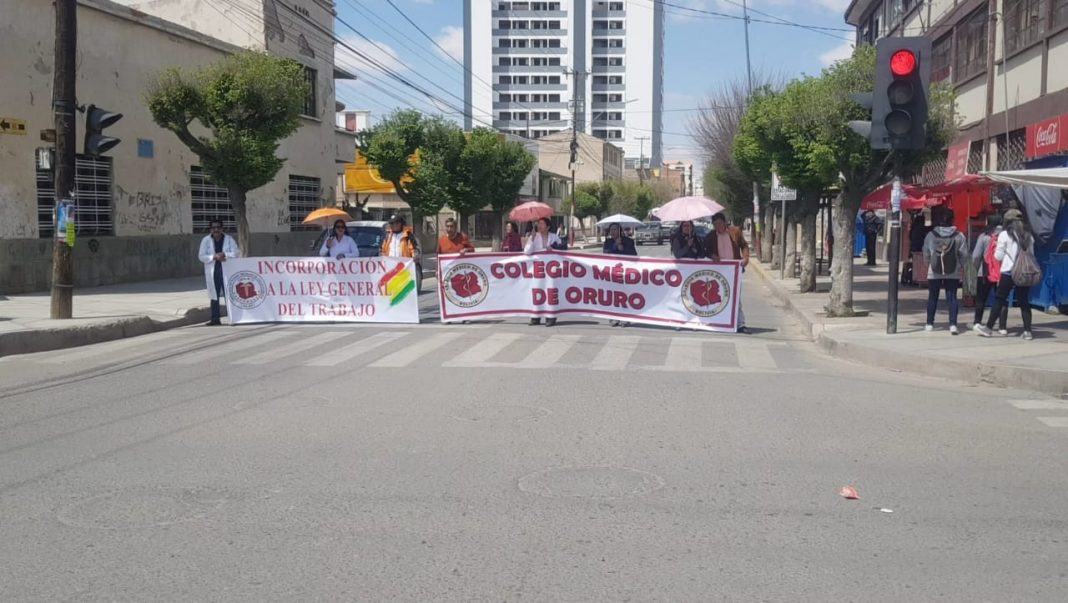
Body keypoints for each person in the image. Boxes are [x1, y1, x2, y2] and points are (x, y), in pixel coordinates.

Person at [976, 209, 1036, 340]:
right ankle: (1027, 331)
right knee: (1024, 301)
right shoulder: (1029, 236)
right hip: (1024, 272)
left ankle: (988, 328)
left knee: (1000, 299)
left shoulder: (1004, 235)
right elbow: (1032, 254)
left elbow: (998, 256)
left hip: (1008, 271)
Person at [922, 208, 968, 334]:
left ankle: (929, 323)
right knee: (952, 297)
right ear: (952, 219)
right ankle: (953, 324)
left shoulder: (931, 235)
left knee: (932, 297)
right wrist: (960, 266)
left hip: (934, 271)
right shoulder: (959, 236)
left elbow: (925, 253)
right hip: (953, 271)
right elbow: (964, 254)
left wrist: (929, 264)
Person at [704, 212, 751, 333]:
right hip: (719, 272)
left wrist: (745, 258)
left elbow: (744, 246)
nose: (718, 226)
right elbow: (705, 251)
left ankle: (740, 324)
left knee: (736, 297)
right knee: (720, 296)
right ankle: (721, 321)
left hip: (734, 271)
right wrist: (712, 255)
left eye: (720, 223)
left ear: (725, 222)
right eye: (715, 224)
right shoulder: (710, 237)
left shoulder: (735, 232)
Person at [198, 219, 240, 326]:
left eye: (218, 227)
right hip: (214, 271)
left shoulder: (229, 239)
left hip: (227, 270)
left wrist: (224, 254)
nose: (216, 229)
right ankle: (215, 319)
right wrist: (214, 257)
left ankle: (233, 318)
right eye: (213, 228)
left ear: (222, 229)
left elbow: (236, 252)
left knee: (229, 295)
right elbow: (201, 256)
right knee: (214, 296)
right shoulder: (206, 240)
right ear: (211, 229)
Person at [971, 214, 1008, 334]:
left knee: (981, 298)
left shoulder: (984, 236)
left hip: (985, 271)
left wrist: (975, 268)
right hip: (1002, 272)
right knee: (1001, 299)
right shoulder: (1006, 235)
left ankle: (977, 322)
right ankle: (1002, 327)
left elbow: (976, 255)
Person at [524, 217, 561, 326]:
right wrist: (532, 239)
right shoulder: (534, 237)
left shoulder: (554, 237)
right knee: (537, 292)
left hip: (552, 272)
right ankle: (535, 316)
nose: (539, 225)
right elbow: (527, 252)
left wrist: (552, 249)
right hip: (538, 271)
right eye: (538, 223)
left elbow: (562, 250)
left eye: (542, 223)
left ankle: (550, 317)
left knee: (551, 292)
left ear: (548, 226)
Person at [602, 223, 638, 327]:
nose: (612, 232)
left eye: (615, 230)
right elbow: (606, 254)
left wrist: (622, 248)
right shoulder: (608, 242)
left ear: (620, 231)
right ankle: (614, 317)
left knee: (625, 295)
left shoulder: (628, 241)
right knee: (613, 296)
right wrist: (614, 246)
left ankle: (625, 317)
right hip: (612, 273)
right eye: (611, 230)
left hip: (625, 273)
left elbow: (634, 255)